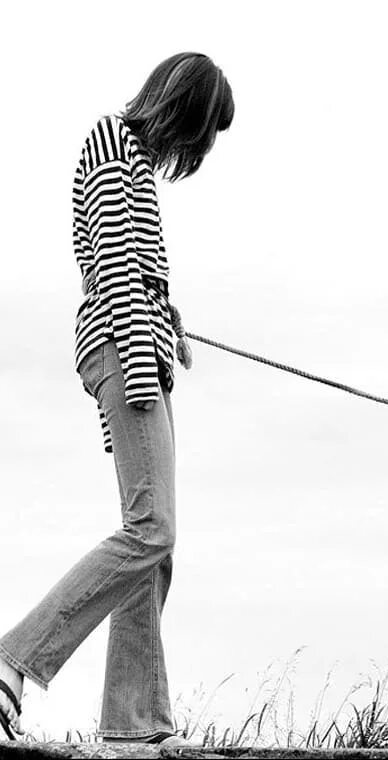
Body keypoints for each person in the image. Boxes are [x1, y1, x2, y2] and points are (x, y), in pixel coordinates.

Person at [0, 52, 233, 745]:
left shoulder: (131, 156)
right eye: (198, 134)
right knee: (150, 528)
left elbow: (135, 270)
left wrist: (167, 322)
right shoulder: (113, 141)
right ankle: (14, 657)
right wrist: (138, 363)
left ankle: (133, 725)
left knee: (153, 542)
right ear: (180, 109)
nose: (193, 151)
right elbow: (114, 262)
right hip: (124, 348)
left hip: (136, 345)